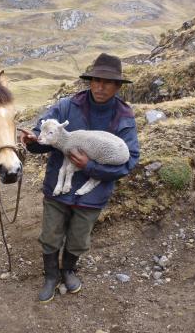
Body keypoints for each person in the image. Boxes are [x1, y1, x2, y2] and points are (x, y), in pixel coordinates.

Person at [20, 53, 140, 303]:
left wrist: (91, 167)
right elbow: (42, 134)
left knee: (79, 236)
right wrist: (32, 140)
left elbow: (128, 161)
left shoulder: (124, 117)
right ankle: (51, 275)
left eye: (107, 82)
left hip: (93, 192)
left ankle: (68, 270)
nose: (99, 86)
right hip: (58, 186)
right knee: (51, 232)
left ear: (118, 86)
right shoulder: (67, 106)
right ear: (90, 81)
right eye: (95, 80)